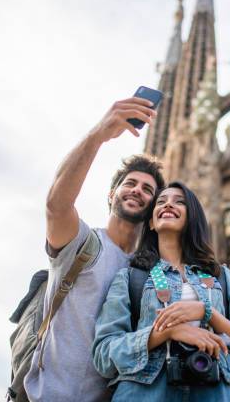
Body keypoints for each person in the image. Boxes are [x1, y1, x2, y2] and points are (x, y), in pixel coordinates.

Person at [24, 97, 165, 402]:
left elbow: (173, 309)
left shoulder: (153, 273)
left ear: (154, 207)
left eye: (147, 189)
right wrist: (99, 134)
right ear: (113, 193)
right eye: (131, 183)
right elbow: (56, 204)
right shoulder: (84, 244)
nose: (137, 190)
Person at [93, 181, 230, 401]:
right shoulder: (132, 277)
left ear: (192, 218)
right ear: (151, 222)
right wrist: (167, 332)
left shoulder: (220, 276)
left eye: (179, 202)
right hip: (145, 392)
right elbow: (104, 355)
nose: (168, 205)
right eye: (161, 202)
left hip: (212, 391)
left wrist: (207, 313)